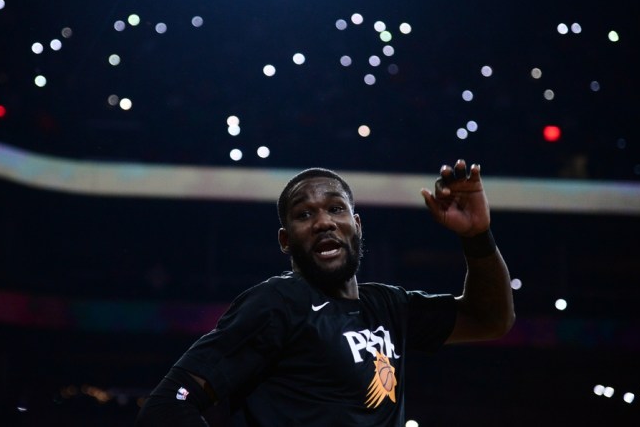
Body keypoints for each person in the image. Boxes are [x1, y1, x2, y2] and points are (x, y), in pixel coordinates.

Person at [136, 160, 515, 426]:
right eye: (304, 215)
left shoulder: (388, 306)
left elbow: (491, 320)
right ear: (286, 241)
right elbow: (168, 405)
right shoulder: (278, 304)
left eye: (336, 208)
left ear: (357, 225)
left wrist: (477, 236)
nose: (323, 222)